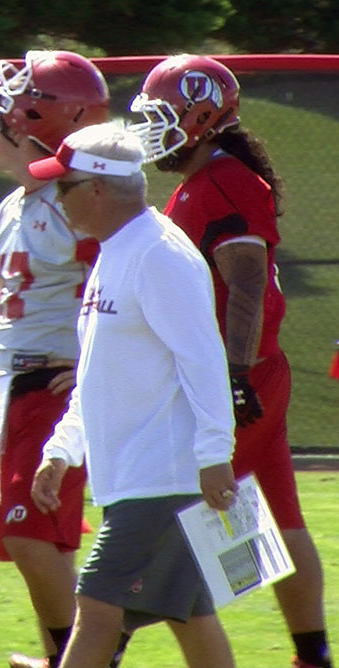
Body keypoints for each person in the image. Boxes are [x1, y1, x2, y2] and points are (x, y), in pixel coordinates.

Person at [130, 54, 332, 668]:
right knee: (276, 515)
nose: (148, 132)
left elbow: (245, 285)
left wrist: (235, 379)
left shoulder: (221, 182)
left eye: (161, 117)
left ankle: (89, 653)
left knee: (165, 527)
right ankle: (313, 655)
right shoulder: (209, 179)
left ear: (203, 119)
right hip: (252, 371)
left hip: (233, 376)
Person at [28, 121, 238, 668]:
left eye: (63, 185)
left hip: (162, 479)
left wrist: (216, 455)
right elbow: (100, 371)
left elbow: (203, 359)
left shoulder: (159, 254)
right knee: (190, 615)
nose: (56, 197)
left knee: (95, 608)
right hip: (140, 476)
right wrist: (62, 449)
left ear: (97, 188)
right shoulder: (116, 251)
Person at [0, 50, 109, 668]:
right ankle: (66, 657)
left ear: (33, 120)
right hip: (17, 384)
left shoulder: (79, 205)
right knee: (46, 537)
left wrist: (95, 364)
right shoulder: (17, 204)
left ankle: (88, 657)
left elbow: (116, 287)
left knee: (24, 531)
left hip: (52, 383)